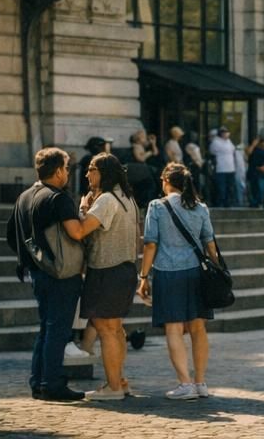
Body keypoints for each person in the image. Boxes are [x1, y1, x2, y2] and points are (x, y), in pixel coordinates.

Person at [6, 147, 91, 402]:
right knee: (59, 331)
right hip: (62, 274)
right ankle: (52, 384)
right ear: (58, 171)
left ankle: (39, 382)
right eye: (66, 168)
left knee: (46, 328)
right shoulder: (58, 198)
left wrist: (34, 260)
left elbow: (11, 236)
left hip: (38, 272)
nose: (68, 173)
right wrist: (84, 212)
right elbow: (77, 232)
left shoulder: (24, 197)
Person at [138, 163, 219, 400]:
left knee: (173, 328)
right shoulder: (200, 207)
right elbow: (210, 243)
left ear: (166, 181)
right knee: (198, 328)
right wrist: (216, 269)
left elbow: (150, 244)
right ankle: (200, 382)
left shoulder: (157, 206)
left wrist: (143, 276)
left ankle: (185, 383)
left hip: (168, 272)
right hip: (197, 272)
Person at [78, 152, 140, 400]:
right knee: (115, 329)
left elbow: (81, 230)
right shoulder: (127, 197)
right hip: (124, 269)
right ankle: (119, 382)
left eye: (91, 169)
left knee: (106, 329)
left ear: (103, 172)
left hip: (106, 270)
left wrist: (83, 208)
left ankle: (113, 387)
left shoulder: (106, 199)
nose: (87, 174)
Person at [208, 128, 236, 209]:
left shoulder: (229, 141)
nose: (227, 134)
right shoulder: (216, 142)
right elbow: (212, 151)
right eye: (225, 133)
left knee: (229, 187)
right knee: (221, 187)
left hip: (230, 168)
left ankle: (228, 202)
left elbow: (232, 150)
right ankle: (220, 202)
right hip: (221, 168)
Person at [245, 136, 264, 209]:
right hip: (253, 171)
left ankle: (263, 202)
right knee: (255, 188)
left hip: (263, 172)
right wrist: (253, 145)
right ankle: (255, 203)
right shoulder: (252, 149)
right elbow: (248, 153)